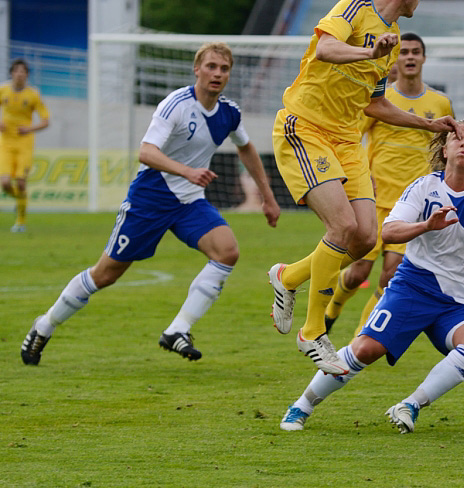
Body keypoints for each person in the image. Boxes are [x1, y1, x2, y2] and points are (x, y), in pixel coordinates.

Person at [279, 119, 464, 433]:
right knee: (365, 350)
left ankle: (410, 405)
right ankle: (302, 405)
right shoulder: (425, 187)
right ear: (445, 148)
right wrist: (426, 225)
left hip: (459, 303)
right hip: (413, 287)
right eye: (456, 139)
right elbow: (389, 230)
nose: (463, 143)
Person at [20, 42, 280, 365]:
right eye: (211, 67)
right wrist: (187, 171)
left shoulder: (229, 112)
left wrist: (268, 198)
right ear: (197, 70)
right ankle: (44, 325)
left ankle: (177, 330)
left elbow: (246, 149)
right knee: (105, 275)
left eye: (224, 69)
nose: (217, 74)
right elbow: (146, 152)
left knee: (227, 251)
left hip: (188, 202)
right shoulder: (176, 105)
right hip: (151, 198)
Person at [268, 0, 458, 376]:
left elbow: (375, 107)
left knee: (362, 240)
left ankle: (288, 277)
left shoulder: (389, 45)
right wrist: (369, 53)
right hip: (306, 127)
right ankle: (313, 332)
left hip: (347, 140)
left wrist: (428, 125)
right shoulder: (356, 5)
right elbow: (326, 50)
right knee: (343, 228)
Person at [323, 32, 454, 337]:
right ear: (397, 58)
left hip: (412, 205)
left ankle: (360, 337)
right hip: (374, 198)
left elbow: (447, 148)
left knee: (391, 274)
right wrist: (356, 177)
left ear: (423, 58)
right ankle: (332, 312)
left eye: (415, 52)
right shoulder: (380, 99)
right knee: (357, 273)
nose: (409, 57)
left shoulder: (440, 102)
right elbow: (352, 137)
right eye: (404, 52)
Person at [0, 59, 50, 232]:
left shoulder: (33, 94)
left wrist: (29, 128)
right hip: (6, 143)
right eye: (16, 71)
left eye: (23, 72)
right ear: (11, 73)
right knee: (5, 183)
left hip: (24, 144)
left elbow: (46, 121)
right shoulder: (3, 90)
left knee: (21, 183)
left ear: (27, 75)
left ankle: (20, 222)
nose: (19, 74)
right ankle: (19, 200)